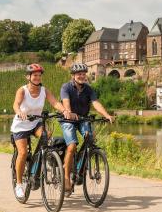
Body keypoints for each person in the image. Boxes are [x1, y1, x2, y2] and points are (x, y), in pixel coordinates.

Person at [11, 64, 71, 198]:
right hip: (21, 125)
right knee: (23, 152)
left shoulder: (44, 90)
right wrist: (19, 112)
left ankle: (41, 161)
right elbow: (16, 104)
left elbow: (55, 102)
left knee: (47, 136)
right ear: (28, 77)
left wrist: (64, 111)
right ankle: (19, 184)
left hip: (35, 123)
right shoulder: (22, 90)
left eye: (39, 75)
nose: (37, 78)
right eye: (35, 75)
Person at [60, 63, 113, 196]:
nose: (82, 76)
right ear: (73, 75)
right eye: (79, 74)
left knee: (91, 138)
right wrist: (69, 112)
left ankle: (81, 167)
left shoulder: (88, 89)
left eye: (83, 74)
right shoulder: (66, 87)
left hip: (83, 118)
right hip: (68, 120)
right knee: (71, 146)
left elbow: (96, 103)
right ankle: (66, 176)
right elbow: (65, 102)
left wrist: (106, 115)